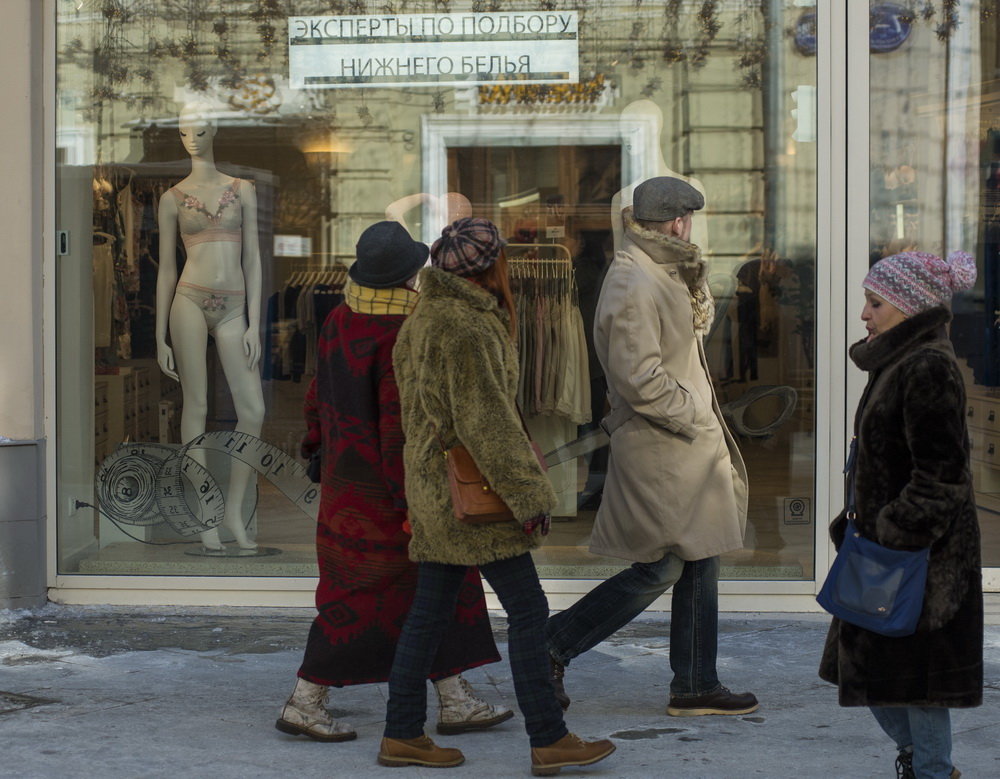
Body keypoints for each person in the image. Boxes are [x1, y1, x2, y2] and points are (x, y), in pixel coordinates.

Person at [379, 217, 616, 773]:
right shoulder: (467, 325)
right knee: (529, 611)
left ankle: (401, 733)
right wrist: (531, 498)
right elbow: (487, 424)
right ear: (491, 267)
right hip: (472, 499)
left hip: (436, 489)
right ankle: (549, 737)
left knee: (428, 616)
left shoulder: (423, 318)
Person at [277, 221, 512, 742]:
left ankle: (453, 698)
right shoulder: (402, 333)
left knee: (410, 594)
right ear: (409, 277)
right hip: (390, 495)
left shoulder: (341, 317)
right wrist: (411, 503)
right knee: (390, 598)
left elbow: (316, 395)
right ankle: (305, 700)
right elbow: (397, 429)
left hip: (345, 491)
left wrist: (317, 449)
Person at [546, 176, 757, 717]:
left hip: (685, 446)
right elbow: (638, 376)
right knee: (661, 566)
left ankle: (695, 684)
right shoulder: (631, 277)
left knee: (700, 558)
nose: (689, 228)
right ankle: (551, 644)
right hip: (664, 444)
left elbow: (681, 346)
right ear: (673, 222)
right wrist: (693, 414)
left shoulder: (665, 268)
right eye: (684, 218)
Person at [819, 250, 983, 779]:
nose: (864, 314)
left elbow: (942, 477)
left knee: (918, 683)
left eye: (874, 303)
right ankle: (925, 764)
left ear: (908, 308)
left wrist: (890, 532)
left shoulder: (927, 366)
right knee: (876, 676)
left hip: (921, 559)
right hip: (887, 550)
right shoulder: (898, 361)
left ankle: (932, 770)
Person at [156, 101, 265, 552]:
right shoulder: (171, 198)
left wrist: (255, 323)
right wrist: (157, 334)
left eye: (199, 130)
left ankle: (236, 512)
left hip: (235, 307)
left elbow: (253, 259)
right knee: (195, 405)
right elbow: (166, 268)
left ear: (214, 129)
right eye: (184, 132)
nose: (192, 139)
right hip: (189, 298)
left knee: (253, 411)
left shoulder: (243, 189)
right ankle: (207, 514)